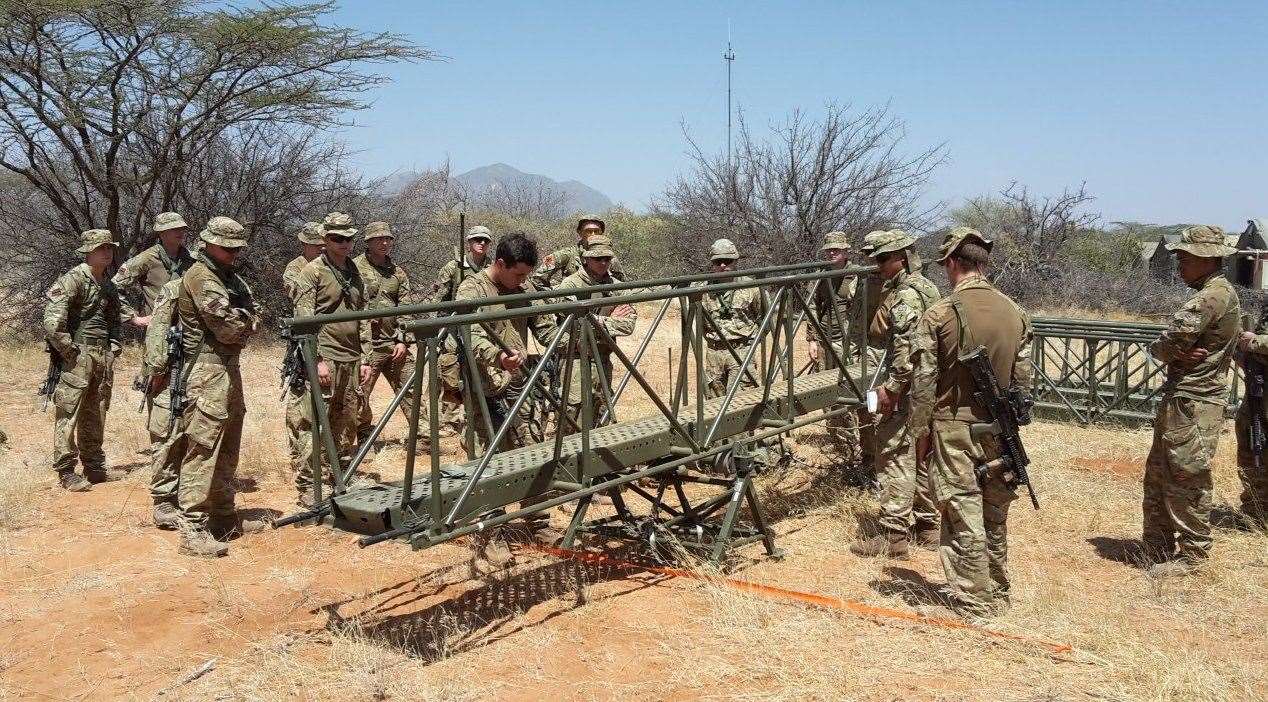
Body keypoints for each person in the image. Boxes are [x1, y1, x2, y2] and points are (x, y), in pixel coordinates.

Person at [908, 226, 1031, 620]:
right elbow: (1023, 380)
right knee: (995, 510)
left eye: (946, 265)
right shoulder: (1015, 311)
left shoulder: (940, 314)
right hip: (998, 428)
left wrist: (920, 434)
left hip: (952, 426)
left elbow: (924, 383)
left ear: (955, 264)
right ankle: (998, 588)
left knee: (962, 511)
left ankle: (975, 601)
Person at [450, 232, 565, 565]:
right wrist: (495, 356)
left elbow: (543, 325)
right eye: (517, 274)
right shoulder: (472, 289)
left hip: (520, 382)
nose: (522, 281)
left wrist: (564, 337)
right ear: (500, 264)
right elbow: (468, 333)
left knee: (533, 449)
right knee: (491, 460)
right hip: (484, 385)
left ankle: (538, 521)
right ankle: (491, 534)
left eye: (527, 275)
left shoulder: (525, 288)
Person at [1143, 225, 1240, 576]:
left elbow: (1168, 344)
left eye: (1186, 258)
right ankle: (1156, 545)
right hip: (1186, 399)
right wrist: (1174, 352)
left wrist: (1168, 351)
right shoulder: (1215, 293)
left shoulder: (1211, 297)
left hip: (1195, 401)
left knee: (1187, 475)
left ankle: (1193, 556)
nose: (1180, 264)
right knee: (1161, 472)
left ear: (1207, 258)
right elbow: (1175, 346)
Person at [167, 216, 261, 557]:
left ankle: (224, 517)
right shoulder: (201, 277)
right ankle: (192, 529)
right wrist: (248, 320)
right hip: (205, 371)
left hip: (227, 368)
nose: (233, 253)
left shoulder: (227, 276)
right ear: (208, 243)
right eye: (227, 247)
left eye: (237, 248)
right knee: (203, 447)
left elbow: (248, 313)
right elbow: (228, 328)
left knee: (228, 444)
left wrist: (246, 319)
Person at [850, 229, 942, 559]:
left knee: (893, 453)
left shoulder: (906, 296)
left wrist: (891, 388)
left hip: (909, 387)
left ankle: (893, 534)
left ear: (900, 258)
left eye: (882, 259)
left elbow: (907, 350)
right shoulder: (926, 286)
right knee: (921, 454)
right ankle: (929, 526)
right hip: (928, 385)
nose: (877, 265)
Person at [294, 212, 368, 506]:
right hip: (327, 355)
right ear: (325, 239)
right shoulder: (312, 272)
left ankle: (338, 475)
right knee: (316, 421)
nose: (345, 244)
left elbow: (364, 315)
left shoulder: (354, 271)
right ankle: (308, 485)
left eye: (349, 238)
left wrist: (366, 357)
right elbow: (304, 320)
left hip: (351, 355)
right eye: (338, 239)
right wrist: (318, 360)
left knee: (347, 420)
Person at [43, 229, 122, 491]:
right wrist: (70, 351)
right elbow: (53, 323)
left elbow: (114, 321)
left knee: (96, 411)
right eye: (102, 248)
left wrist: (113, 345)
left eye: (110, 247)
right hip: (77, 355)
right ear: (88, 250)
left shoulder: (108, 284)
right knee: (69, 411)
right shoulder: (72, 280)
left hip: (101, 356)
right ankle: (66, 471)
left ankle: (94, 467)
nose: (107, 252)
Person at [112, 212, 194, 453]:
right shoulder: (146, 259)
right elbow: (114, 287)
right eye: (173, 229)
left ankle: (183, 443)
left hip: (188, 334)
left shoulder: (191, 260)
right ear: (161, 233)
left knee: (187, 385)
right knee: (157, 385)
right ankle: (161, 446)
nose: (180, 232)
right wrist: (134, 318)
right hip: (159, 336)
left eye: (182, 228)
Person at [700, 238, 781, 469]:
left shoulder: (751, 287)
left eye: (727, 262)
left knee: (741, 403)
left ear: (736, 262)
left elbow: (766, 319)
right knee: (714, 403)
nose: (723, 266)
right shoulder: (705, 289)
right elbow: (700, 322)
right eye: (718, 262)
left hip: (741, 349)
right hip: (714, 352)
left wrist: (751, 342)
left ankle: (743, 459)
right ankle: (719, 458)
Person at [553, 234, 637, 426]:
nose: (603, 263)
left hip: (603, 359)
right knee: (573, 419)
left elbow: (628, 324)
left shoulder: (617, 287)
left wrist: (595, 320)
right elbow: (574, 323)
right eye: (597, 258)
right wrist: (608, 320)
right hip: (575, 360)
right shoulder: (570, 285)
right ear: (586, 258)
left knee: (602, 416)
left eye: (607, 258)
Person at [354, 221, 417, 449]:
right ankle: (363, 437)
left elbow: (407, 307)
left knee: (412, 388)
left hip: (394, 344)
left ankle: (421, 437)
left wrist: (402, 339)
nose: (384, 242)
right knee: (360, 394)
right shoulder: (353, 269)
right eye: (378, 239)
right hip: (366, 346)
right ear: (367, 242)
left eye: (388, 239)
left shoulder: (398, 272)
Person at [427, 224, 493, 435]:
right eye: (476, 240)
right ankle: (448, 418)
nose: (481, 243)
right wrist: (435, 328)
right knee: (449, 367)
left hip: (484, 325)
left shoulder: (492, 266)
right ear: (469, 243)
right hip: (455, 325)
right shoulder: (453, 267)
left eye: (485, 240)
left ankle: (477, 413)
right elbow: (439, 300)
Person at [807, 231, 864, 468]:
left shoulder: (856, 274)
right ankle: (834, 433)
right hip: (824, 338)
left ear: (846, 251)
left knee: (847, 388)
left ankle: (852, 436)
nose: (833, 254)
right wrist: (811, 339)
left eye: (837, 250)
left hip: (847, 340)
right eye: (830, 250)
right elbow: (811, 305)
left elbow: (862, 309)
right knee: (825, 388)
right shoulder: (821, 275)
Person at [283, 222, 323, 505]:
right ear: (303, 245)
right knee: (303, 409)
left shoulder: (330, 268)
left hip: (330, 343)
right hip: (304, 345)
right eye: (315, 244)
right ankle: (303, 465)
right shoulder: (296, 269)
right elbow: (301, 303)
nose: (320, 248)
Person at [532, 215, 626, 289]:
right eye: (588, 231)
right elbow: (537, 279)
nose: (593, 235)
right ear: (579, 232)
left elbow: (622, 285)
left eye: (596, 231)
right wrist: (555, 300)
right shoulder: (566, 255)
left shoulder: (610, 259)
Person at [1236, 312, 1268, 524]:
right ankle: (1256, 509)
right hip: (1258, 392)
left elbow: (1254, 341)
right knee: (1250, 447)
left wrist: (1254, 342)